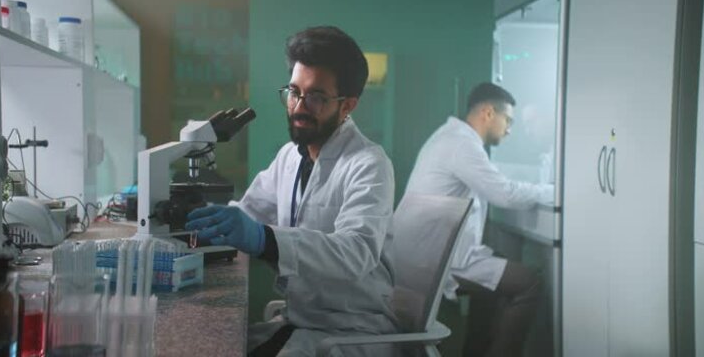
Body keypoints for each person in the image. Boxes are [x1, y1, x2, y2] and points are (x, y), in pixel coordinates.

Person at [185, 26, 397, 357]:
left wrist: (263, 239)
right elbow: (248, 213)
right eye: (294, 92)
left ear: (347, 106)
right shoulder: (290, 156)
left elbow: (356, 253)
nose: (299, 106)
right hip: (301, 322)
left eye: (316, 97)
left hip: (351, 331)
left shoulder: (369, 164)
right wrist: (195, 224)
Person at [403, 82, 553, 356]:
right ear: (487, 113)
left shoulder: (449, 137)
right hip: (433, 260)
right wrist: (552, 191)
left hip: (419, 255)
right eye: (507, 119)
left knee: (492, 284)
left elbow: (496, 183)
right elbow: (504, 193)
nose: (509, 128)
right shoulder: (462, 144)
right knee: (529, 283)